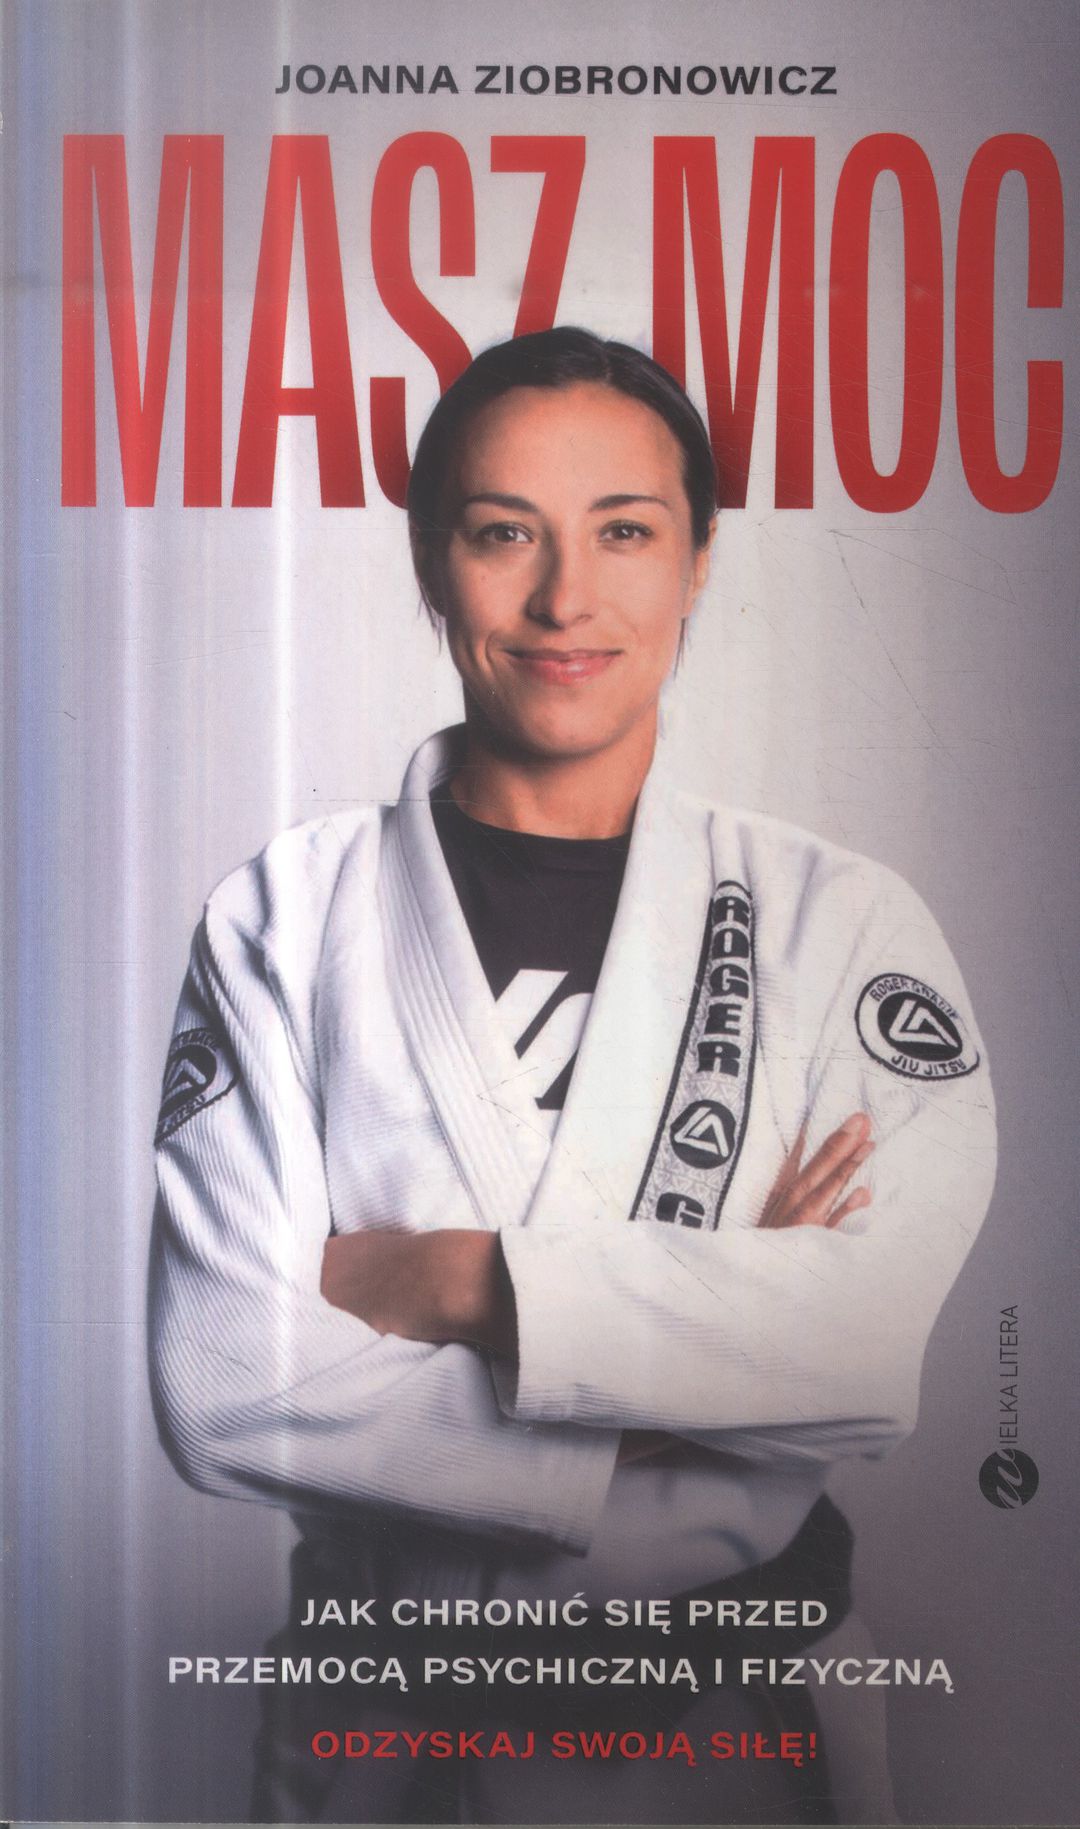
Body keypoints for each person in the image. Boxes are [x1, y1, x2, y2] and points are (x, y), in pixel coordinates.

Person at [149, 328, 997, 1825]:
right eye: (502, 533)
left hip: (739, 1735)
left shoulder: (839, 924)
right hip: (389, 1745)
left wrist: (458, 1283)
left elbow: (864, 1353)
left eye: (624, 532)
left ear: (700, 560)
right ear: (431, 561)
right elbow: (225, 1383)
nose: (564, 598)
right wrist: (701, 1362)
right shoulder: (284, 916)